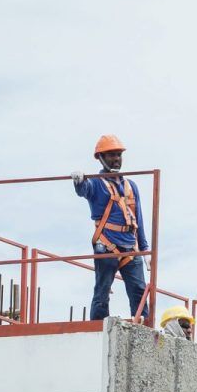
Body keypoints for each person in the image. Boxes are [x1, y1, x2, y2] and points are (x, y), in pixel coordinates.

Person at [71, 134, 148, 321]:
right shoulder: (96, 184)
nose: (116, 159)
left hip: (131, 247)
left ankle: (144, 329)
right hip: (107, 244)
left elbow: (138, 219)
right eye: (111, 155)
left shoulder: (131, 186)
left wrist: (144, 249)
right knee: (102, 291)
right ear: (101, 158)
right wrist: (79, 181)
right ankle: (97, 330)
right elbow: (84, 190)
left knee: (139, 291)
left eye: (118, 155)